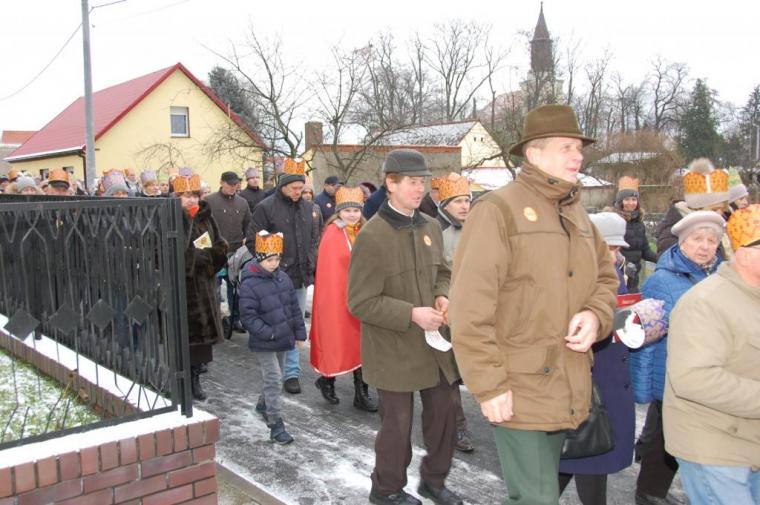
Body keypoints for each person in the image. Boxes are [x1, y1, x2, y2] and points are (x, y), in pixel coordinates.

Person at [449, 104, 618, 505]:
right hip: (517, 386)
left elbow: (605, 278)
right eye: (566, 147)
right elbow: (469, 309)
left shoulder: (576, 213)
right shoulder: (497, 210)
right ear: (533, 153)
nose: (577, 156)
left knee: (540, 495)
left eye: (578, 148)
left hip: (568, 381)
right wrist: (489, 385)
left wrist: (595, 315)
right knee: (536, 498)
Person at [348, 149, 464, 505]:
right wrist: (412, 313)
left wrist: (442, 295)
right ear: (391, 183)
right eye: (412, 182)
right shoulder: (372, 235)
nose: (420, 189)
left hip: (434, 344)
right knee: (397, 427)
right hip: (392, 346)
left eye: (422, 182)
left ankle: (433, 481)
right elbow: (360, 302)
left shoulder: (430, 226)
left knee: (445, 414)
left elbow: (442, 272)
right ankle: (386, 489)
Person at [663, 204, 760, 505]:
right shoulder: (706, 303)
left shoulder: (751, 296)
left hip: (749, 439)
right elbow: (694, 378)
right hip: (716, 446)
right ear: (745, 253)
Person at [630, 210, 725, 505]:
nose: (704, 246)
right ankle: (649, 492)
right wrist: (645, 388)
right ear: (682, 242)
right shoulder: (662, 280)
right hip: (671, 375)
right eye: (697, 239)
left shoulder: (723, 277)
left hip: (711, 374)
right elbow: (645, 338)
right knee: (664, 439)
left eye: (711, 240)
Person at [558, 211, 637, 505]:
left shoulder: (612, 271)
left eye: (617, 249)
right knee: (586, 452)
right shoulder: (577, 275)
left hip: (609, 377)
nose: (614, 255)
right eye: (609, 248)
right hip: (590, 379)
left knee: (583, 454)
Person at [251, 159, 321, 394]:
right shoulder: (266, 207)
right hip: (273, 278)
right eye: (294, 188)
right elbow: (254, 240)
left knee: (294, 323)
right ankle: (274, 371)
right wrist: (270, 265)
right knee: (274, 324)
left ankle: (291, 373)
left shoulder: (310, 209)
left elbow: (315, 239)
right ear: (283, 185)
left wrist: (311, 261)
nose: (298, 192)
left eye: (301, 188)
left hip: (299, 278)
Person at [310, 186, 377, 412]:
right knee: (337, 341)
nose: (352, 215)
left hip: (363, 297)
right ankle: (327, 381)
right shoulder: (332, 234)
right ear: (338, 212)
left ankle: (361, 393)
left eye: (356, 210)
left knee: (362, 345)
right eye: (347, 210)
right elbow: (331, 272)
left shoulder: (366, 230)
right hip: (339, 298)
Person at [238, 231, 307, 445]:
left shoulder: (283, 278)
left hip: (283, 338)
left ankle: (263, 404)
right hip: (264, 341)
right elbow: (248, 316)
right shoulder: (250, 283)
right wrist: (268, 332)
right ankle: (275, 424)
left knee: (276, 375)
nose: (274, 264)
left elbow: (294, 308)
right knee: (274, 379)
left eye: (277, 259)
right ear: (259, 258)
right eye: (270, 260)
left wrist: (299, 333)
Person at [174, 171, 229, 400]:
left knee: (201, 342)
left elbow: (219, 243)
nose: (191, 200)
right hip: (180, 289)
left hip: (204, 288)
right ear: (176, 196)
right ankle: (179, 380)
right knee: (181, 340)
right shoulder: (169, 218)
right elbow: (161, 253)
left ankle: (195, 380)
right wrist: (193, 258)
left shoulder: (206, 217)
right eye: (186, 195)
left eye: (194, 195)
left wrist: (215, 255)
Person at [435, 173, 475, 453]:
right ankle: (456, 426)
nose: (464, 206)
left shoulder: (476, 228)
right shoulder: (435, 231)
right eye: (458, 201)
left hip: (475, 310)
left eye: (467, 200)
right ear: (445, 204)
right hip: (446, 311)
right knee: (447, 375)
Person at [205, 170, 253, 333]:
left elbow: (249, 224)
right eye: (230, 184)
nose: (233, 187)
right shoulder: (209, 201)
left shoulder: (242, 203)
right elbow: (203, 225)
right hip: (216, 252)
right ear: (221, 183)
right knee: (214, 288)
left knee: (236, 288)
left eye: (236, 184)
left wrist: (247, 237)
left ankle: (236, 319)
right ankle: (214, 320)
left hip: (236, 252)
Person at [656, 158, 728, 257]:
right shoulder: (671, 236)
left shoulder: (715, 230)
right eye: (714, 209)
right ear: (698, 208)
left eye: (723, 209)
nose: (720, 214)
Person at [614, 176, 657, 292]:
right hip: (618, 277)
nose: (631, 203)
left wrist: (661, 259)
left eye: (634, 199)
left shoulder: (639, 224)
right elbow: (610, 250)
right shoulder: (615, 221)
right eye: (627, 199)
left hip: (634, 277)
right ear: (620, 202)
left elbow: (645, 250)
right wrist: (624, 264)